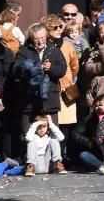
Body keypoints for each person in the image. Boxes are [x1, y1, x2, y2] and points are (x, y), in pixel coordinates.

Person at [12, 24, 68, 156]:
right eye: (36, 38)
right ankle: (29, 161)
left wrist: (51, 68)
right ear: (31, 38)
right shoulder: (24, 51)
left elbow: (62, 69)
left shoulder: (54, 50)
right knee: (27, 133)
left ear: (46, 37)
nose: (40, 41)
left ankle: (55, 161)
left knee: (53, 132)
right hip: (29, 100)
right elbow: (16, 71)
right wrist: (34, 68)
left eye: (42, 37)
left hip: (49, 99)